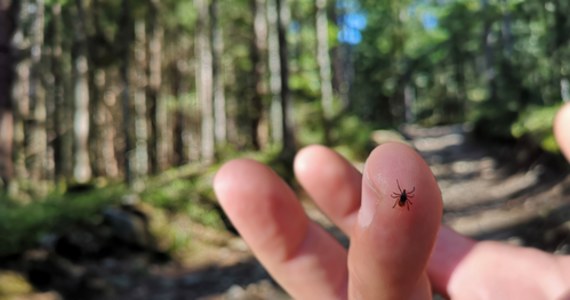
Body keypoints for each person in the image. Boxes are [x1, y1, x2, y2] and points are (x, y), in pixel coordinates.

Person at [213, 103, 570, 299]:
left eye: (402, 194)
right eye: (402, 194)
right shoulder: (403, 195)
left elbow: (407, 196)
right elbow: (406, 195)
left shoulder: (404, 196)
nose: (403, 195)